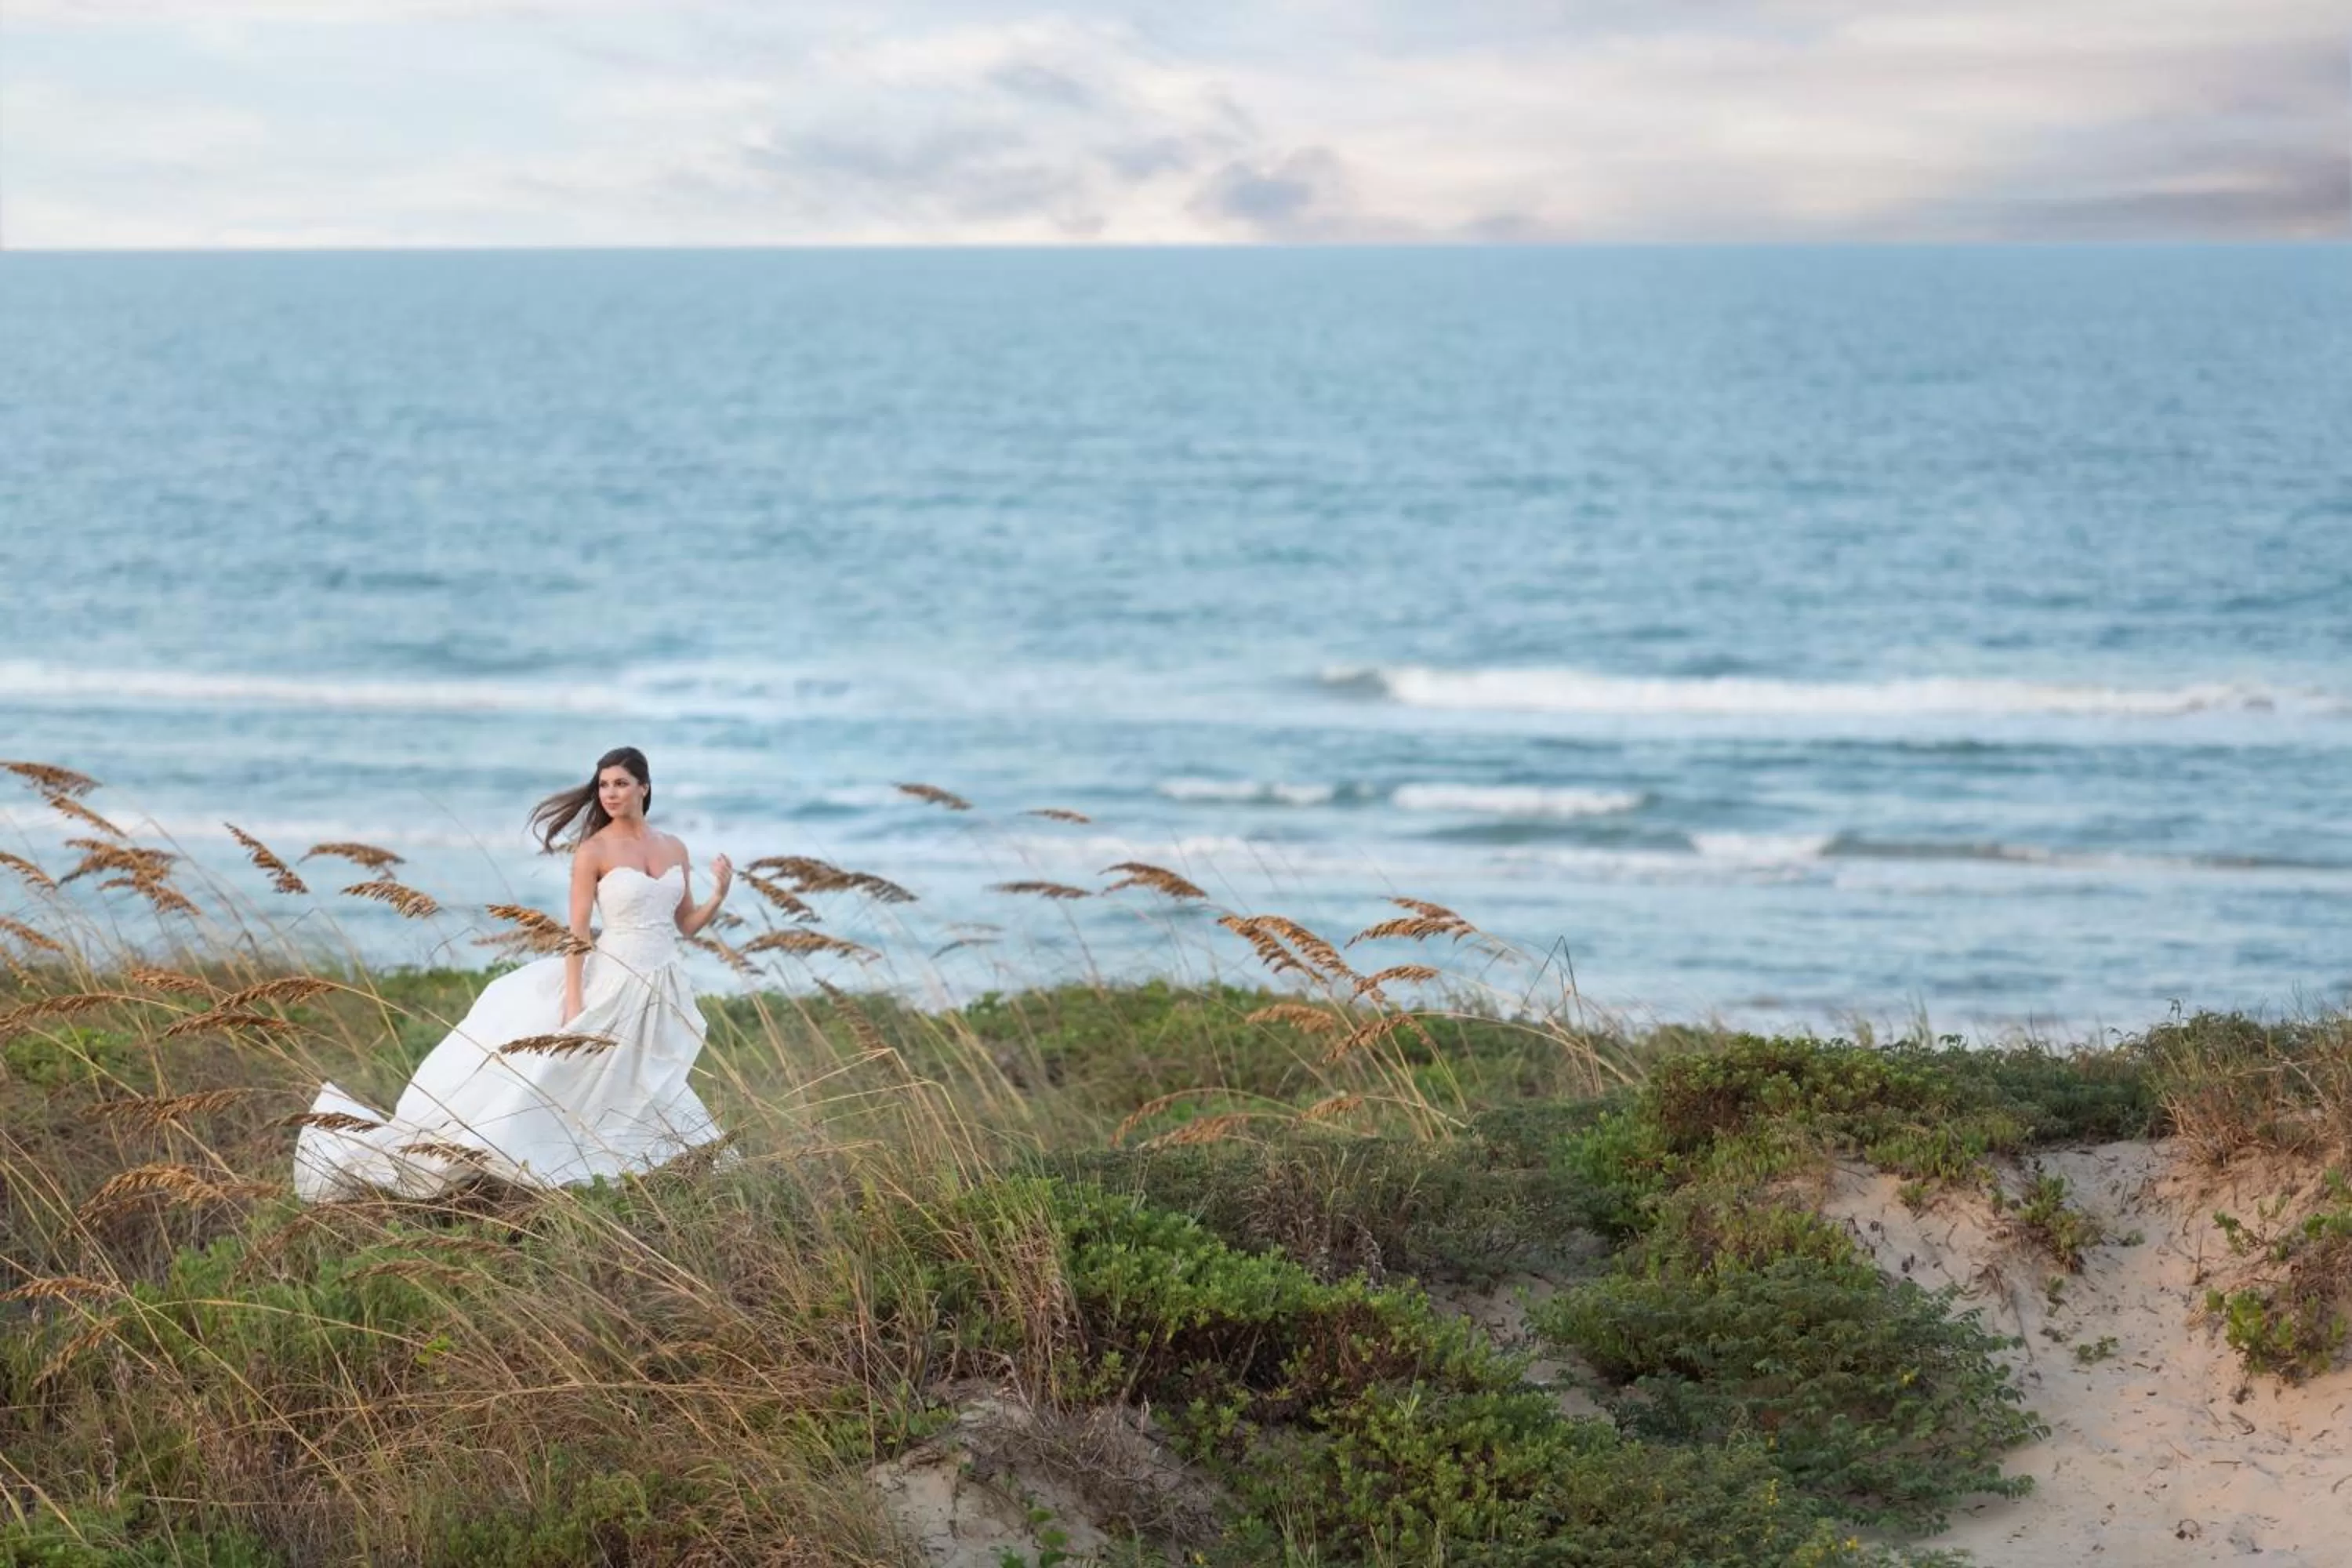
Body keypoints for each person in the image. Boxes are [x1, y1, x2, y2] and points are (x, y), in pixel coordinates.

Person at [292, 746, 735, 1202]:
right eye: (603, 785)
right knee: (575, 1079)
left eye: (620, 783)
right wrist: (574, 999)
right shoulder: (593, 851)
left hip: (661, 984)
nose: (610, 793)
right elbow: (577, 933)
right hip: (614, 981)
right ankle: (539, 1163)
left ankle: (640, 1168)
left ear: (644, 786)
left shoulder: (673, 847)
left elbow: (684, 925)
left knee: (648, 1078)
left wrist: (719, 894)